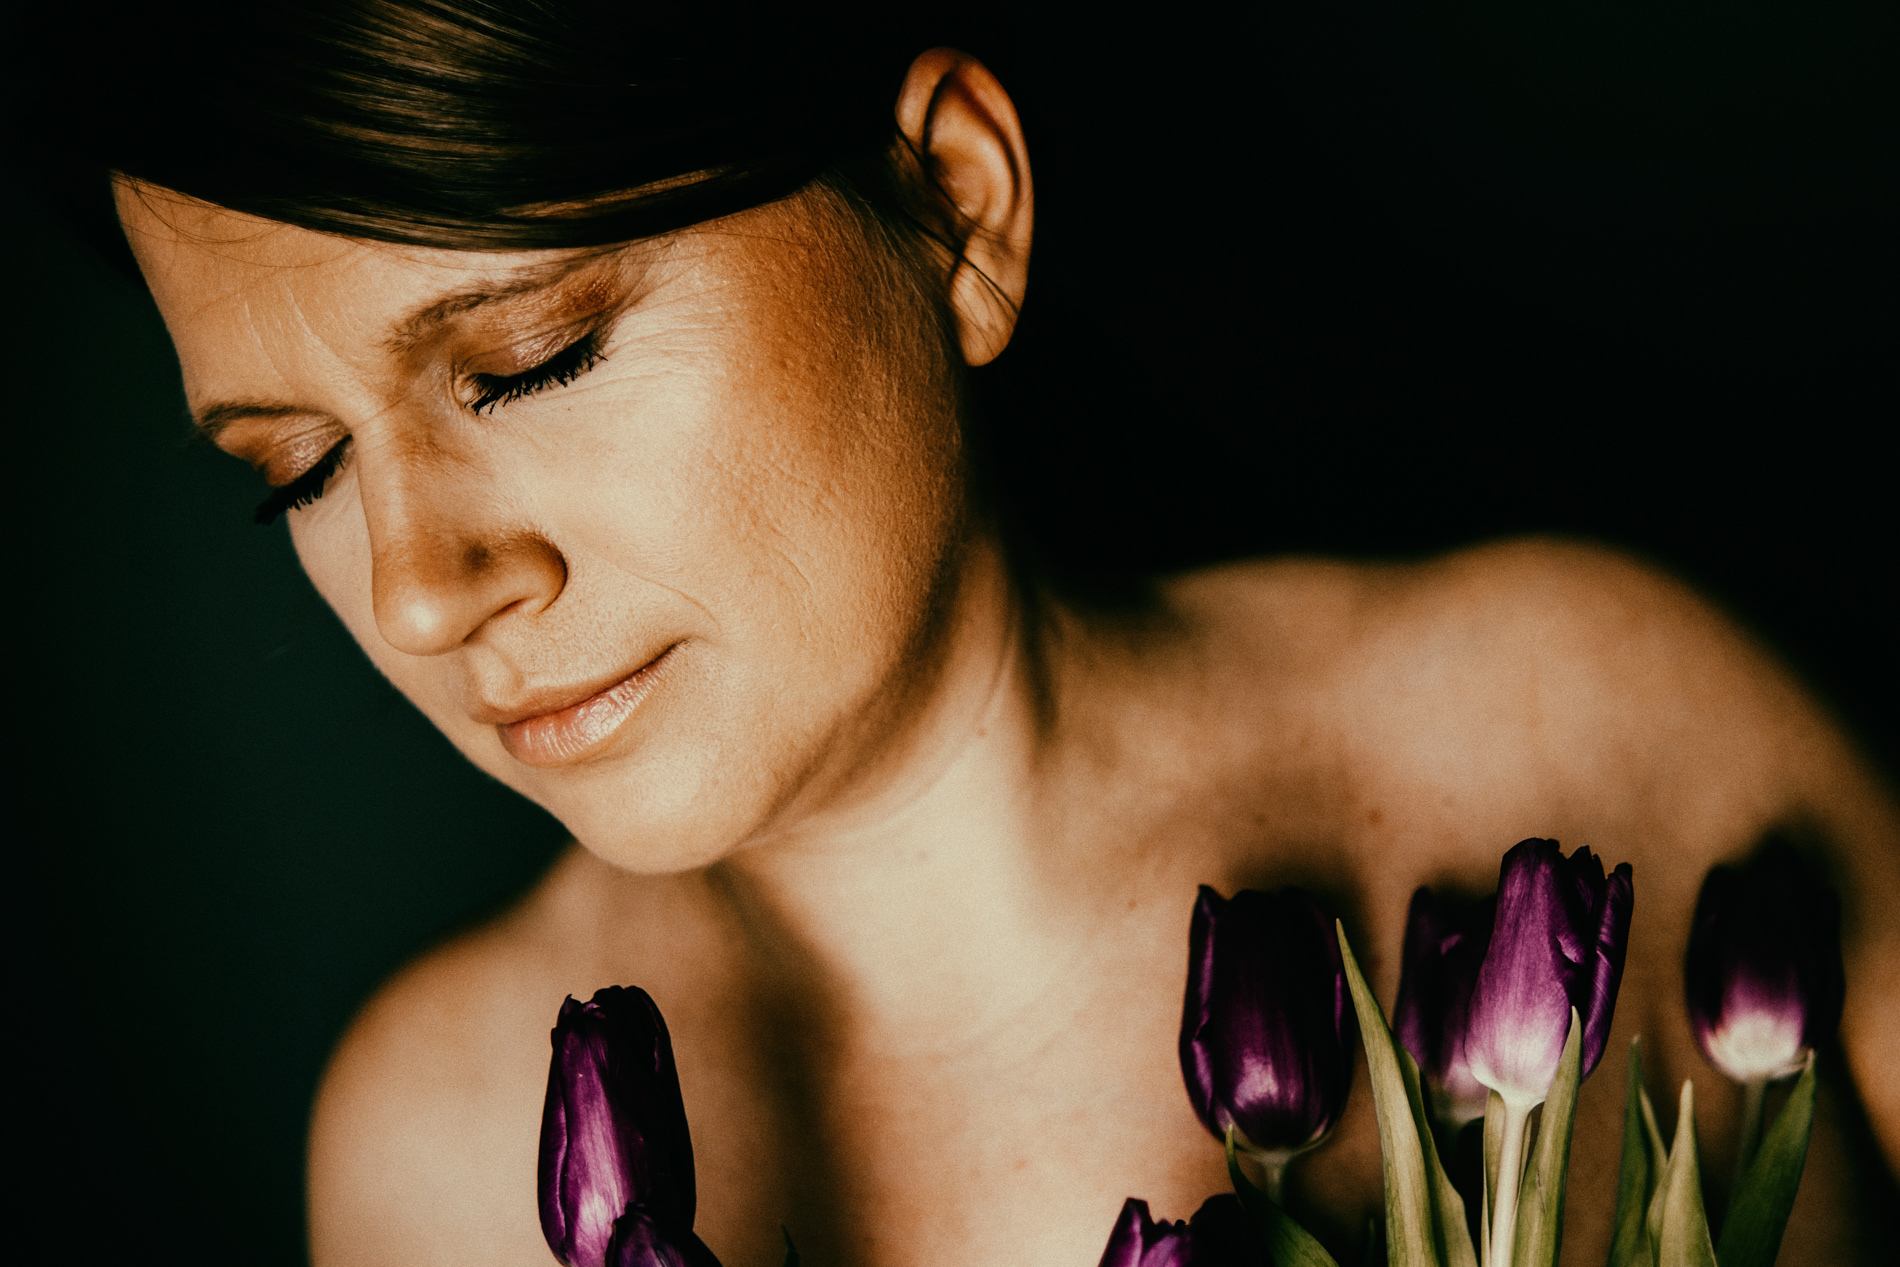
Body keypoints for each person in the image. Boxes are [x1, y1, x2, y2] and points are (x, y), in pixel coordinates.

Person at [33, 3, 1897, 1263]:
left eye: (531, 359)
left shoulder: (1597, 726)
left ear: (954, 205)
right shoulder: (439, 1160)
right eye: (297, 470)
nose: (418, 587)